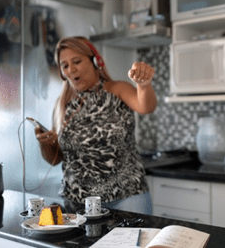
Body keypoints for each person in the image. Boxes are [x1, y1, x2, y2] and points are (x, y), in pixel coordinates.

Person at [34, 36, 157, 214]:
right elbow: (56, 159)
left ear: (95, 61)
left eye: (77, 61)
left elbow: (146, 107)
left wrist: (144, 85)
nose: (71, 69)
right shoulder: (62, 105)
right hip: (77, 202)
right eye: (65, 65)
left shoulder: (117, 89)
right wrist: (45, 144)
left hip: (127, 197)